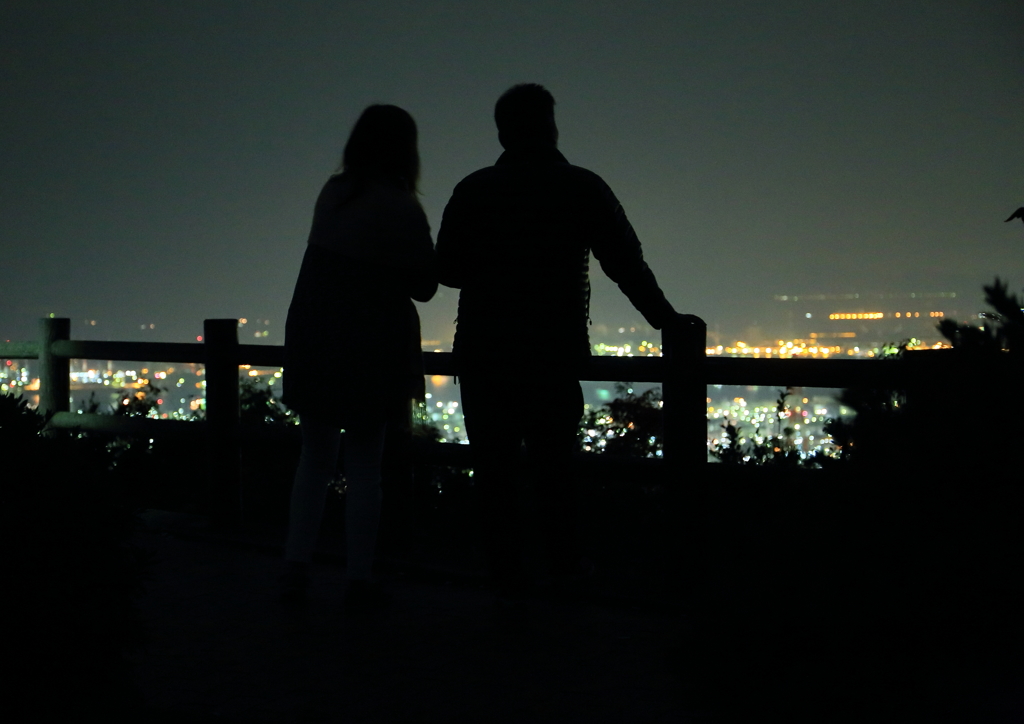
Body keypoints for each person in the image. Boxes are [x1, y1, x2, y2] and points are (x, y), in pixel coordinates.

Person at [436, 84, 677, 599]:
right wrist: (667, 321)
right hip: (553, 349)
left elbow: (449, 272)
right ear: (551, 127)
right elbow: (625, 264)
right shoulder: (582, 187)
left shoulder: (473, 189)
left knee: (494, 470)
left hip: (483, 350)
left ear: (501, 131)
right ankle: (564, 567)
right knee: (554, 467)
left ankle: (505, 574)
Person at [280, 104, 436, 613]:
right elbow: (425, 285)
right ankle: (359, 578)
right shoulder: (401, 207)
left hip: (317, 336)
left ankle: (295, 567)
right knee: (366, 466)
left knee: (315, 458)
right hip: (373, 345)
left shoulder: (334, 194)